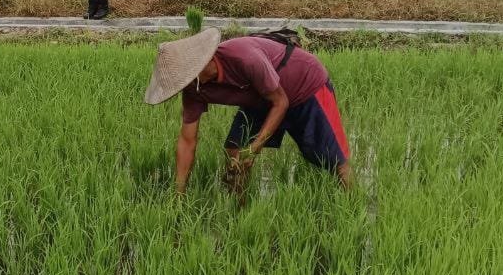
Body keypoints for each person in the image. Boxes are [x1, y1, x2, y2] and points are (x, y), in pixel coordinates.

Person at [144, 27, 352, 196]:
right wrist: (179, 194)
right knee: (234, 151)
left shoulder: (244, 58)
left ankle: (354, 204)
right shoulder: (194, 88)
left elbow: (280, 102)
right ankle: (240, 210)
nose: (185, 85)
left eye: (186, 78)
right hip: (262, 96)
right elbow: (187, 140)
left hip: (305, 86)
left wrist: (255, 148)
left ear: (201, 63)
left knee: (334, 160)